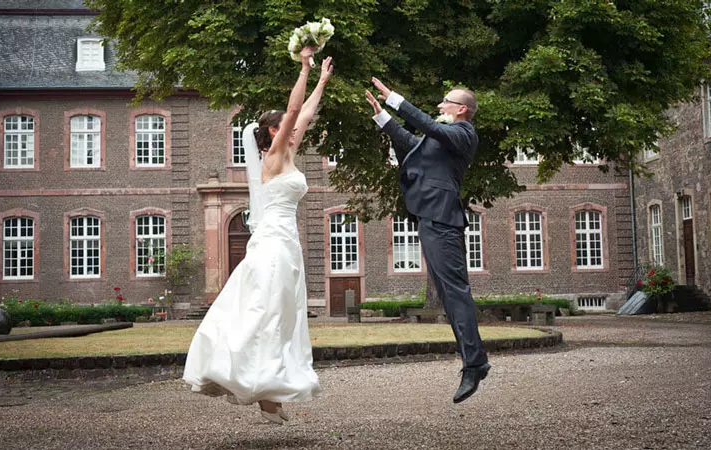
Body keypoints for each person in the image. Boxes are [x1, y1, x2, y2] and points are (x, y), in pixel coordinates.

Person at [183, 48, 334, 424]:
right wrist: (303, 70)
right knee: (266, 309)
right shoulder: (276, 156)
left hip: (286, 242)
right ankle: (250, 382)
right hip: (274, 243)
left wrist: (322, 81)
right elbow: (296, 110)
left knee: (282, 312)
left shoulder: (289, 154)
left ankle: (268, 389)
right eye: (286, 126)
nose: (296, 129)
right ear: (273, 131)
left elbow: (307, 113)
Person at [365, 79, 490, 403]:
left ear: (461, 109)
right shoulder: (440, 139)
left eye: (445, 101)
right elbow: (410, 140)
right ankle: (474, 362)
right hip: (431, 218)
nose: (439, 105)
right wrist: (383, 117)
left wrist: (395, 98)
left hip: (443, 219)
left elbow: (429, 127)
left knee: (456, 292)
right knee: (450, 296)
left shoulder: (463, 134)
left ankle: (475, 364)